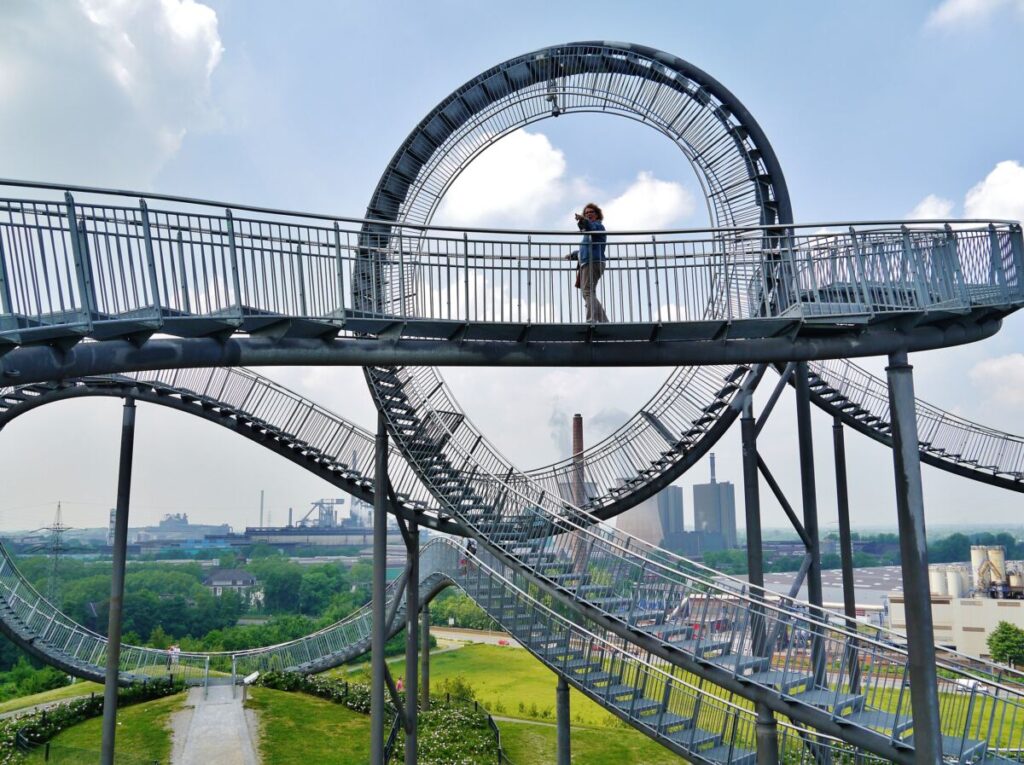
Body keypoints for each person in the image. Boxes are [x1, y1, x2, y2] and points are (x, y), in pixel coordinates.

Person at [566, 203, 609, 322]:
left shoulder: (598, 226)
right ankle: (603, 321)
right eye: (586, 213)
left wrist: (583, 220)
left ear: (597, 215)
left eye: (591, 212)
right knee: (589, 293)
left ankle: (592, 320)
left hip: (593, 262)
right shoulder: (588, 232)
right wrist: (573, 255)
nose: (588, 214)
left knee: (587, 292)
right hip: (590, 262)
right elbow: (585, 248)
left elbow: (591, 228)